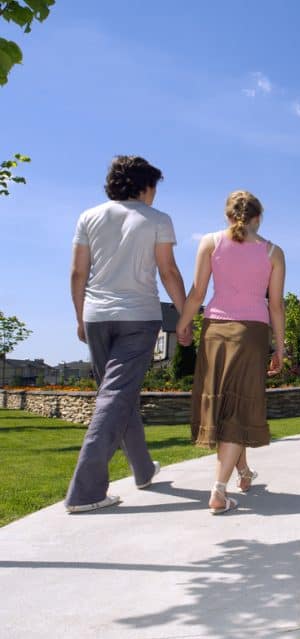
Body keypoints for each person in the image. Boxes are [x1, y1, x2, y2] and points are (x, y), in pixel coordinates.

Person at [66, 156, 187, 513]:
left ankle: (144, 470)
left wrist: (79, 318)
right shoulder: (158, 220)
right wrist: (185, 317)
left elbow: (77, 273)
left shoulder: (88, 216)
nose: (154, 195)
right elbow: (168, 271)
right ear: (145, 186)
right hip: (139, 317)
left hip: (97, 318)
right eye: (154, 188)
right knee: (116, 396)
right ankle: (85, 491)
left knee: (119, 396)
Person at [176, 190, 285, 514]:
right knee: (237, 409)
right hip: (251, 334)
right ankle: (219, 491)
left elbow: (197, 292)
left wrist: (182, 326)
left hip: (214, 332)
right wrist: (281, 347)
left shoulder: (209, 242)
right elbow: (276, 306)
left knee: (224, 404)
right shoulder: (273, 252)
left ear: (228, 216)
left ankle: (243, 471)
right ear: (258, 217)